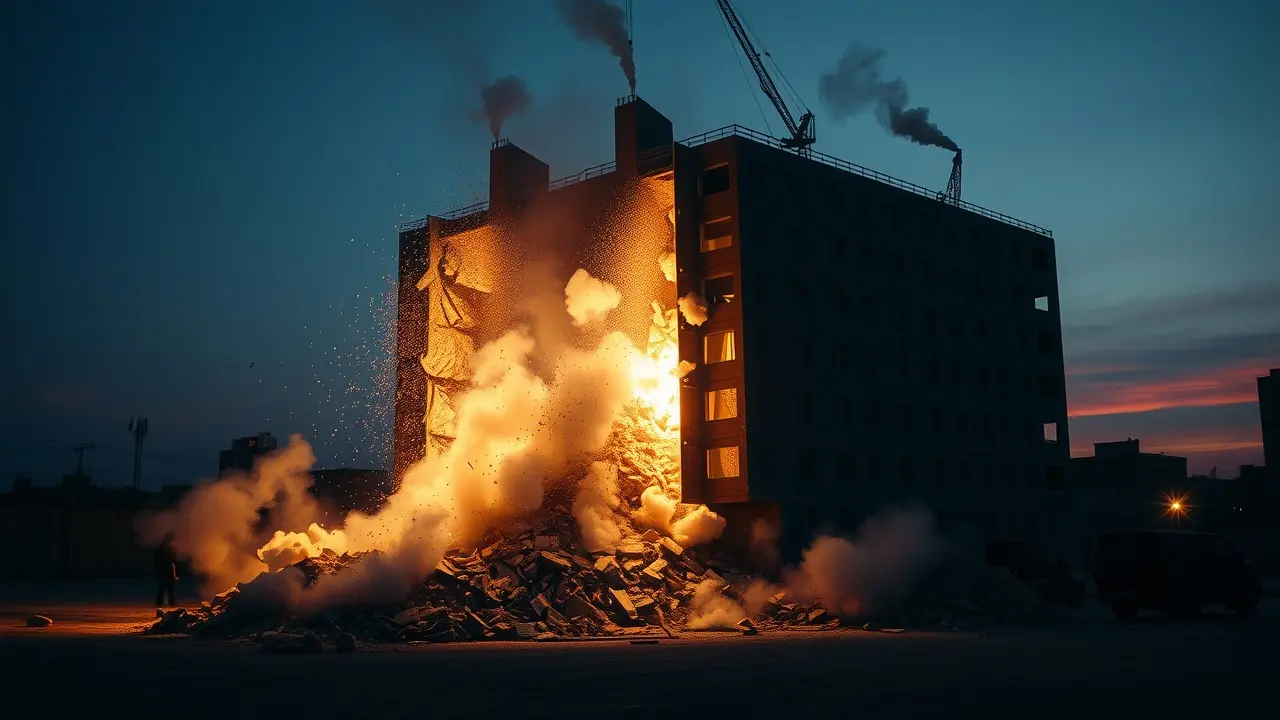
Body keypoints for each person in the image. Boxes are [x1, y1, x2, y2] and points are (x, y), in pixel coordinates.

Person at [154, 533, 178, 607]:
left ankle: (170, 601)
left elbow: (173, 559)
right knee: (162, 587)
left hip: (168, 570)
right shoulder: (162, 548)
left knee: (169, 587)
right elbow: (157, 560)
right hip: (163, 570)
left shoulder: (168, 548)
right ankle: (160, 602)